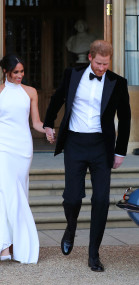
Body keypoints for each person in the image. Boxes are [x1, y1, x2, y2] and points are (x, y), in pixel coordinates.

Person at [44, 40, 131, 272]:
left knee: (101, 200)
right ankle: (71, 228)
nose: (103, 68)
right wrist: (48, 124)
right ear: (90, 57)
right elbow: (57, 98)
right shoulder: (72, 74)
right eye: (99, 63)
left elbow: (125, 117)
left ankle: (94, 254)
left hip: (102, 147)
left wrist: (120, 151)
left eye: (106, 63)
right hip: (74, 142)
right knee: (72, 197)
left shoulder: (118, 82)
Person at [0, 54, 45, 264]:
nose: (20, 75)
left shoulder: (30, 92)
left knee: (18, 193)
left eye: (22, 71)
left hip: (23, 147)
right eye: (16, 72)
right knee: (1, 192)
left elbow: (36, 122)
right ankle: (3, 245)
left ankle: (15, 244)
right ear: (6, 72)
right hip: (2, 145)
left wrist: (47, 129)